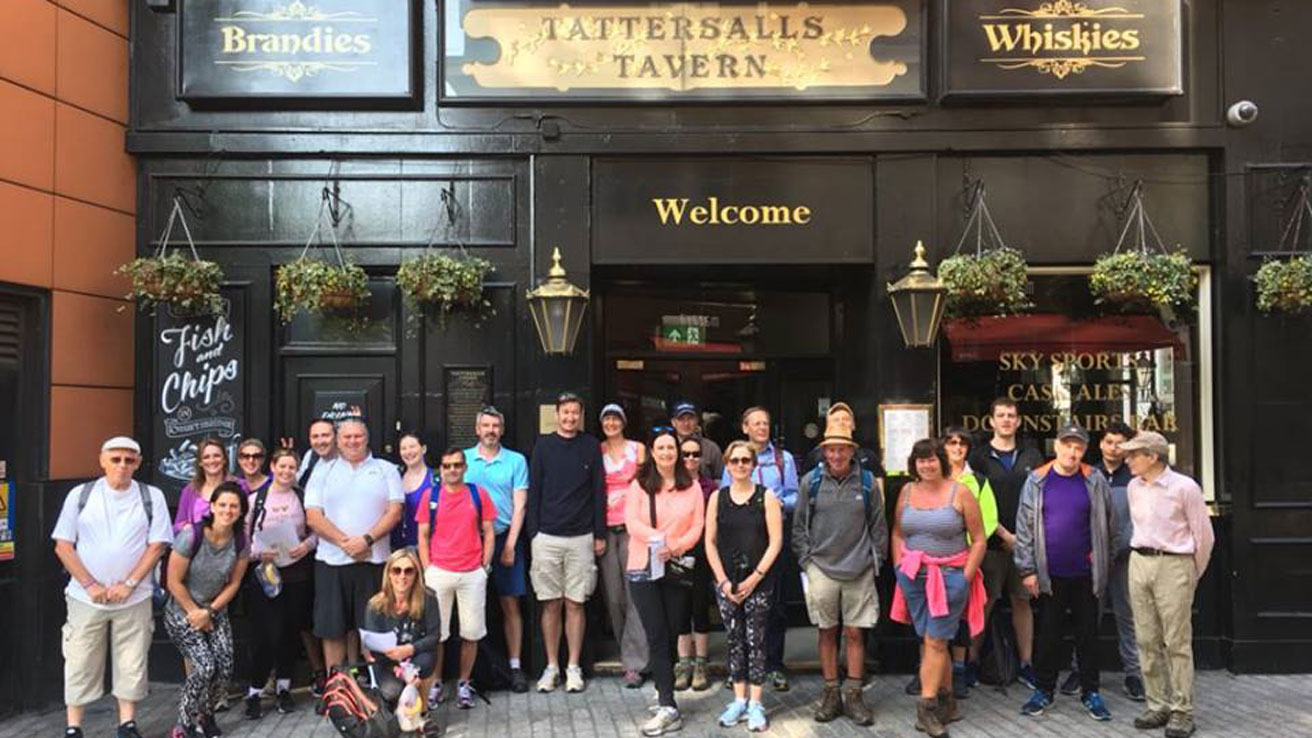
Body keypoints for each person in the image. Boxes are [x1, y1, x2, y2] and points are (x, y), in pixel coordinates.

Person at [52, 436, 172, 738]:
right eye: (116, 459)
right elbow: (63, 546)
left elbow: (157, 545)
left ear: (138, 463)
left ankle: (127, 724)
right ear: (102, 460)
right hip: (84, 597)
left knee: (132, 660)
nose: (122, 465)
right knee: (80, 659)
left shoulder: (151, 496)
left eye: (129, 460)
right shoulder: (81, 495)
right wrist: (90, 584)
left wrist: (130, 583)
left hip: (135, 596)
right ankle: (73, 726)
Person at [1014, 424, 1117, 721]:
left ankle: (1091, 692)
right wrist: (1028, 570)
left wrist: (1104, 562)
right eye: (1067, 445)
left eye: (1079, 447)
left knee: (1088, 635)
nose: (1072, 452)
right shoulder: (1037, 480)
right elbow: (1023, 529)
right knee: (1048, 635)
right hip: (1050, 573)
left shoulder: (1094, 479)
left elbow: (1111, 527)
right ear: (1056, 446)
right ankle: (1044, 691)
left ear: (1085, 451)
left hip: (1086, 573)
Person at [890, 439, 988, 738]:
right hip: (914, 578)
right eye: (920, 460)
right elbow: (897, 532)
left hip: (949, 577)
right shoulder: (906, 492)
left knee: (934, 641)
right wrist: (899, 568)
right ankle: (949, 702)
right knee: (935, 641)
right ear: (913, 464)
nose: (926, 465)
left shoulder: (961, 492)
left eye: (932, 459)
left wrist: (965, 577)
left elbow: (980, 538)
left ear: (941, 462)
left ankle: (926, 709)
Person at [792, 421, 888, 726]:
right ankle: (831, 692)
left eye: (842, 449)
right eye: (831, 449)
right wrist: (807, 562)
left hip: (859, 568)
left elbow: (879, 526)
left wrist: (876, 561)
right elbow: (799, 527)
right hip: (821, 568)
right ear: (824, 451)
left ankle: (855, 694)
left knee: (856, 632)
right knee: (826, 631)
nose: (836, 454)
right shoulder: (811, 481)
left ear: (851, 451)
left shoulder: (867, 482)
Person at [1122, 431, 1214, 738]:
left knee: (1176, 641)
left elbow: (1204, 536)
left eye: (1134, 454)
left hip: (1174, 563)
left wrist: (1189, 572)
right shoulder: (1134, 486)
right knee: (1147, 638)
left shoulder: (1184, 488)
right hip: (1139, 561)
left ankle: (1182, 710)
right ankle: (1157, 703)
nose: (1129, 459)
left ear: (1153, 456)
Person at [305, 417, 405, 669]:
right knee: (332, 629)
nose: (352, 441)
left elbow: (395, 511)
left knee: (375, 628)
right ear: (338, 440)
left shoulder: (386, 469)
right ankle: (337, 691)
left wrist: (367, 540)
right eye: (347, 437)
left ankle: (377, 688)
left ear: (367, 438)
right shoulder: (322, 471)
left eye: (357, 436)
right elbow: (313, 516)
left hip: (374, 561)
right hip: (331, 562)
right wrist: (346, 543)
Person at [624, 430, 706, 736]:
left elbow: (698, 524)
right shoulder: (639, 485)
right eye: (661, 447)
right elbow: (632, 523)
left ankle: (663, 690)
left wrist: (677, 546)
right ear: (652, 452)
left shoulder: (693, 487)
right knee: (657, 634)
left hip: (675, 566)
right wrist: (661, 541)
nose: (667, 452)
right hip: (643, 567)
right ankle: (669, 706)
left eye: (672, 447)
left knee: (672, 633)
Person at [526, 392, 606, 693]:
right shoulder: (544, 445)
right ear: (557, 415)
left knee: (575, 603)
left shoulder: (590, 446)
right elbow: (535, 490)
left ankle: (573, 666)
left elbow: (599, 491)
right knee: (550, 604)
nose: (570, 417)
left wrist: (599, 534)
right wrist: (534, 531)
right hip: (547, 536)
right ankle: (551, 666)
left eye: (575, 412)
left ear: (580, 415)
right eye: (565, 412)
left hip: (582, 537)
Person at [1061, 421, 1144, 701]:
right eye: (1109, 442)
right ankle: (1078, 670)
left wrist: (1125, 545)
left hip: (1125, 559)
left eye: (1120, 443)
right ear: (1101, 444)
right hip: (1091, 559)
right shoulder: (1088, 474)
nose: (1114, 448)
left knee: (1128, 616)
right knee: (1086, 618)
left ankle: (1134, 674)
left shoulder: (1135, 477)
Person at [706, 441, 783, 733]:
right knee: (735, 640)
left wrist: (756, 577)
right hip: (726, 581)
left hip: (758, 582)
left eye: (745, 461)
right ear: (726, 465)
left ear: (753, 465)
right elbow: (709, 541)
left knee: (756, 640)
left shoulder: (767, 497)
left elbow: (776, 541)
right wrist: (722, 580)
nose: (740, 465)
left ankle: (756, 703)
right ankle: (739, 699)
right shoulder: (717, 498)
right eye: (734, 460)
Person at [164, 482, 251, 738]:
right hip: (182, 610)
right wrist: (195, 613)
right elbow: (173, 581)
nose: (228, 510)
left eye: (234, 506)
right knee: (204, 666)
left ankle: (206, 715)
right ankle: (183, 724)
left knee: (224, 665)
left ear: (241, 511)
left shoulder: (240, 540)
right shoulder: (191, 535)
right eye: (222, 504)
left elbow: (234, 583)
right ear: (212, 506)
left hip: (214, 610)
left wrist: (209, 611)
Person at [968, 398, 1044, 689]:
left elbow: (1040, 501)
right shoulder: (978, 457)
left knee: (1022, 602)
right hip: (990, 545)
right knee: (984, 603)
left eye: (1011, 415)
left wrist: (1023, 538)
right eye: (1000, 415)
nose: (1006, 420)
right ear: (991, 422)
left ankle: (1026, 664)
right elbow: (975, 503)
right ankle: (972, 661)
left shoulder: (1032, 456)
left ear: (1019, 421)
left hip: (1025, 545)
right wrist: (1003, 534)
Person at [720, 406, 798, 692]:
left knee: (775, 606)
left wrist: (775, 503)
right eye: (756, 423)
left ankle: (774, 665)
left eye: (766, 423)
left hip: (774, 538)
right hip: (741, 539)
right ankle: (737, 668)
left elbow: (794, 496)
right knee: (738, 605)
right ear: (745, 428)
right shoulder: (734, 459)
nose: (762, 428)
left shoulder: (783, 459)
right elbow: (726, 498)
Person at [416, 447, 497, 709]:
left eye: (457, 465)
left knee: (471, 633)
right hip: (439, 572)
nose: (452, 470)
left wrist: (484, 566)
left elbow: (489, 530)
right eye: (447, 465)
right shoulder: (431, 495)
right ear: (441, 468)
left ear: (464, 467)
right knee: (436, 635)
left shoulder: (477, 493)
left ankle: (464, 683)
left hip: (471, 572)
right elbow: (423, 535)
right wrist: (427, 568)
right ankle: (436, 683)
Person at [243, 448, 317, 720]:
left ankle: (284, 689)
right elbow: (244, 540)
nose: (287, 472)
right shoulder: (256, 499)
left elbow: (315, 533)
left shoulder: (302, 497)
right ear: (272, 466)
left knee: (289, 633)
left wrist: (306, 547)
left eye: (292, 467)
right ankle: (254, 692)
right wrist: (257, 553)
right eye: (282, 466)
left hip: (296, 574)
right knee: (265, 636)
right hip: (267, 575)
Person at [463, 406, 532, 692]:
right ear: (477, 429)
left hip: (505, 539)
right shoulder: (463, 460)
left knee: (509, 603)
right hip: (469, 542)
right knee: (468, 607)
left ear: (502, 430)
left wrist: (512, 545)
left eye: (495, 426)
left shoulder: (516, 461)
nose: (491, 431)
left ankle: (515, 667)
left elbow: (520, 506)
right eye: (486, 426)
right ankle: (470, 672)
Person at [596, 403, 649, 689]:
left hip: (633, 529)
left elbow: (644, 484)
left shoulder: (637, 449)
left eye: (616, 418)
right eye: (607, 419)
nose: (612, 423)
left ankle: (635, 663)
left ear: (624, 422)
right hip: (606, 529)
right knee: (613, 597)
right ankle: (626, 649)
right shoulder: (597, 450)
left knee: (634, 594)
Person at [943, 426, 999, 697]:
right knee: (935, 616)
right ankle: (931, 670)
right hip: (936, 559)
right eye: (951, 443)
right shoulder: (934, 476)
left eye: (961, 444)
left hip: (965, 558)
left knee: (962, 617)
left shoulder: (978, 480)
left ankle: (959, 670)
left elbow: (988, 520)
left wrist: (966, 543)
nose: (956, 448)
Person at [363, 548, 442, 707]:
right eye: (396, 570)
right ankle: (400, 708)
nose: (402, 576)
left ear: (416, 574)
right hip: (386, 660)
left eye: (408, 571)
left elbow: (434, 636)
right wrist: (400, 671)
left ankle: (423, 714)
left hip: (416, 654)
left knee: (424, 665)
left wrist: (410, 649)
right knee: (392, 690)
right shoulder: (375, 605)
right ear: (389, 574)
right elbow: (370, 648)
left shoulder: (428, 598)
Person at [674, 435, 717, 692]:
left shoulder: (709, 487)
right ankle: (683, 663)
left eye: (695, 454)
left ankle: (701, 663)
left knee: (700, 608)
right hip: (675, 553)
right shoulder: (671, 484)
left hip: (701, 553)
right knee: (679, 609)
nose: (690, 459)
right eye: (686, 454)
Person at [800, 403, 883, 479]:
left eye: (846, 419)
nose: (841, 422)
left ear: (853, 425)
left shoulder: (868, 457)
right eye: (836, 419)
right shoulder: (814, 457)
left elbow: (879, 491)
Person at [174, 438, 237, 534]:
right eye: (206, 457)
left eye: (217, 456)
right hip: (198, 546)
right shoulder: (190, 490)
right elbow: (178, 524)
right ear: (200, 463)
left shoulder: (238, 486)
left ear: (224, 459)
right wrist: (186, 527)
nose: (212, 461)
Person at [394, 432, 434, 550]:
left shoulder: (435, 479)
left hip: (428, 546)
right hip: (398, 548)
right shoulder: (395, 478)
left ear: (423, 449)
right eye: (403, 448)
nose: (408, 452)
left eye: (412, 447)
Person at [672, 401, 724, 482]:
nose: (686, 423)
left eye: (690, 419)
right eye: (681, 419)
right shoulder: (667, 447)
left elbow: (720, 478)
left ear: (697, 421)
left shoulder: (711, 448)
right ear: (673, 422)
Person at [297, 418, 337, 488]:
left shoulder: (349, 460)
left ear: (336, 437)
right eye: (315, 436)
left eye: (325, 435)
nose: (320, 442)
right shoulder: (311, 456)